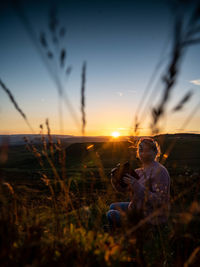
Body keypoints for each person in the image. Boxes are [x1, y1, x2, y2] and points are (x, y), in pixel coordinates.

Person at [107, 138, 170, 229]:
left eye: (147, 150)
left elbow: (159, 201)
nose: (143, 153)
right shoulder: (139, 171)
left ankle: (131, 232)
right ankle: (119, 229)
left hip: (150, 217)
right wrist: (115, 180)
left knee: (111, 214)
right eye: (140, 150)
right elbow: (123, 190)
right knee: (112, 206)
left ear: (155, 152)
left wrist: (135, 185)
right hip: (137, 209)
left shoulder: (160, 171)